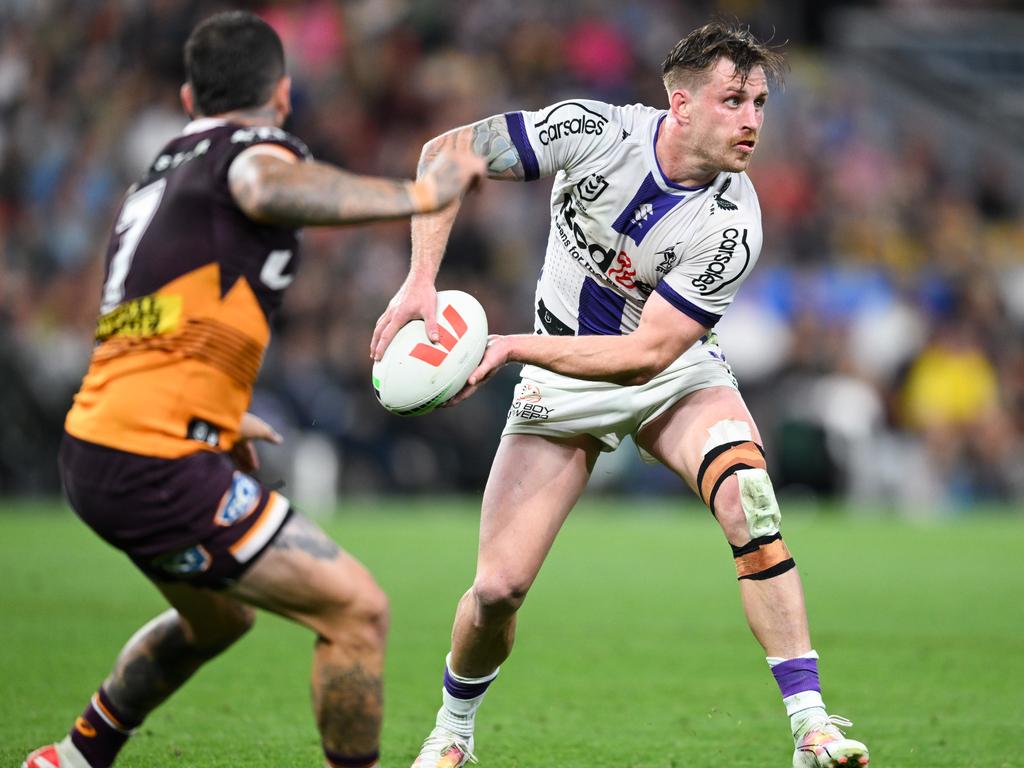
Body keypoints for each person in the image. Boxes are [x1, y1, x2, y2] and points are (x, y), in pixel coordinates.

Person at [371, 20, 869, 768]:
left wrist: (508, 346)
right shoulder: (594, 131)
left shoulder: (733, 223)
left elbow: (645, 356)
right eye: (734, 100)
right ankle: (453, 735)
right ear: (681, 105)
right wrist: (419, 281)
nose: (752, 121)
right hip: (562, 380)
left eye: (761, 104)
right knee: (499, 589)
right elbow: (446, 154)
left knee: (751, 503)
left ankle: (811, 727)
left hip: (672, 374)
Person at [24, 11, 484, 768]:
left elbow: (153, 315)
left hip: (104, 442)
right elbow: (264, 183)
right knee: (356, 611)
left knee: (219, 621)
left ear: (186, 97)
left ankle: (75, 756)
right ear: (283, 94)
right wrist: (419, 193)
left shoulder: (162, 171)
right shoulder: (248, 151)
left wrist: (219, 410)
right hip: (153, 459)